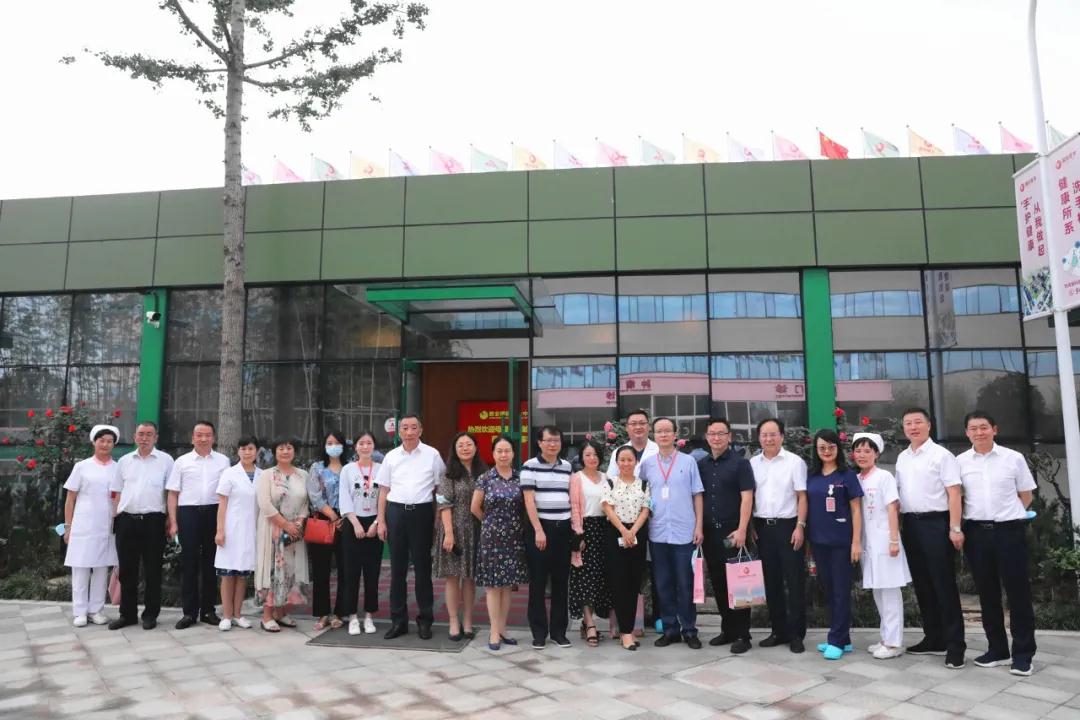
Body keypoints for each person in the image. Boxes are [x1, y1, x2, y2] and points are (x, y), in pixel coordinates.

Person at [957, 411, 1038, 676]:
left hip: (1008, 531)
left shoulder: (1013, 458)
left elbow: (1026, 495)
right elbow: (958, 497)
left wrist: (1008, 516)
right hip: (976, 533)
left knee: (1017, 592)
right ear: (967, 433)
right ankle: (998, 649)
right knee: (987, 593)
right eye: (973, 428)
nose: (979, 432)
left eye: (984, 427)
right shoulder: (960, 462)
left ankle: (1023, 654)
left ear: (994, 429)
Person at [895, 407, 966, 669]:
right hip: (911, 525)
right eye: (908, 423)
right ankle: (934, 637)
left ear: (929, 425)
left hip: (936, 523)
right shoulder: (902, 457)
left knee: (943, 585)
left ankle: (955, 646)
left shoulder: (942, 455)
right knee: (923, 584)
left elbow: (954, 493)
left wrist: (955, 527)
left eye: (918, 422)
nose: (913, 427)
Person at [375, 414, 446, 640]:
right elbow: (383, 491)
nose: (409, 432)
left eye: (413, 427)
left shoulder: (432, 455)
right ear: (399, 432)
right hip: (396, 513)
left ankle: (425, 620)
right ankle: (398, 621)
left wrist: (438, 518)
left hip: (422, 514)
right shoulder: (391, 457)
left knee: (423, 570)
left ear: (420, 430)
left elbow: (440, 489)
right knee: (397, 571)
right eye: (404, 428)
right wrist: (381, 520)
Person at [640, 417, 704, 649]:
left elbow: (697, 494)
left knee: (685, 584)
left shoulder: (688, 462)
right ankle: (670, 630)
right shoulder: (647, 464)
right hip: (658, 533)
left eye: (668, 431)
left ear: (676, 434)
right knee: (663, 584)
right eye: (659, 431)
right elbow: (641, 493)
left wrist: (699, 526)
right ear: (654, 435)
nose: (664, 435)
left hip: (684, 532)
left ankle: (689, 630)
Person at [749, 417, 808, 653]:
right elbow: (749, 497)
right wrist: (751, 526)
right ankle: (778, 631)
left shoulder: (795, 462)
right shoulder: (753, 463)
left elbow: (802, 496)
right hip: (762, 528)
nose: (769, 439)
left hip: (788, 527)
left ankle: (796, 634)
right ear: (759, 437)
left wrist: (800, 526)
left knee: (794, 581)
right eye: (764, 435)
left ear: (782, 436)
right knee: (771, 582)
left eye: (773, 434)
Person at [851, 432, 910, 660]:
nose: (862, 455)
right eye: (858, 451)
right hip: (868, 542)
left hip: (886, 541)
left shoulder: (884, 476)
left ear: (876, 454)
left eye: (867, 451)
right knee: (878, 590)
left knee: (890, 592)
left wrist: (893, 540)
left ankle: (894, 643)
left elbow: (893, 508)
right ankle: (886, 638)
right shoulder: (857, 478)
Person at [109, 421, 173, 631]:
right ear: (135, 437)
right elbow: (117, 492)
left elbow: (171, 493)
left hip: (154, 521)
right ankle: (127, 615)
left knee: (153, 570)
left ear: (156, 438)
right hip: (127, 520)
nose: (144, 438)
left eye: (149, 434)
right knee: (127, 571)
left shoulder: (166, 461)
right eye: (141, 434)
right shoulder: (124, 461)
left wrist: (171, 519)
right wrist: (116, 518)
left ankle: (150, 615)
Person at [166, 420, 231, 629]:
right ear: (192, 438)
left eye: (207, 435)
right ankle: (189, 613)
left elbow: (228, 494)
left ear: (214, 437)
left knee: (212, 564)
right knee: (189, 564)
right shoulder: (181, 462)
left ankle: (208, 611)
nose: (203, 439)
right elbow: (173, 493)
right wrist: (173, 521)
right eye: (199, 435)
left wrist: (224, 523)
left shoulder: (223, 461)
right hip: (189, 514)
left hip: (214, 513)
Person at [806, 429, 864, 660]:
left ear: (838, 449)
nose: (827, 451)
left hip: (842, 542)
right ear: (816, 450)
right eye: (822, 447)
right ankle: (843, 638)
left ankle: (837, 640)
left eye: (831, 447)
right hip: (819, 541)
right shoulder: (812, 476)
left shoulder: (847, 475)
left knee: (841, 590)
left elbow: (856, 510)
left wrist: (856, 542)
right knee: (830, 590)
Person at [698, 417, 754, 654]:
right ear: (706, 437)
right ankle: (728, 630)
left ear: (729, 436)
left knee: (739, 584)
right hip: (710, 532)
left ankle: (743, 635)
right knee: (719, 583)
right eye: (712, 433)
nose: (716, 438)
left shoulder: (740, 464)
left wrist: (742, 529)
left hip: (733, 531)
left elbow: (747, 497)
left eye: (721, 433)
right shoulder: (702, 464)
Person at [472, 434, 529, 651]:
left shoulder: (520, 478)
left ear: (513, 453)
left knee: (506, 586)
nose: (503, 455)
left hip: (514, 538)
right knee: (493, 587)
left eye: (507, 451)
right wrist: (490, 523)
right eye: (499, 451)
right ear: (493, 454)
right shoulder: (485, 478)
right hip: (492, 539)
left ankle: (503, 628)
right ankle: (494, 631)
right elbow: (475, 508)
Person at [521, 425, 575, 649]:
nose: (553, 444)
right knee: (538, 583)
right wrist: (538, 529)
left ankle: (559, 632)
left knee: (561, 582)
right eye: (548, 440)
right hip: (541, 529)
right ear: (539, 443)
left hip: (563, 529)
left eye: (556, 440)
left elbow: (571, 497)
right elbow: (529, 500)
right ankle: (539, 633)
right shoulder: (529, 466)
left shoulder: (567, 467)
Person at [63, 424, 120, 627]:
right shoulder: (82, 466)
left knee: (101, 569)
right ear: (94, 442)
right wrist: (68, 526)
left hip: (107, 526)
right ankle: (79, 611)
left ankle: (96, 610)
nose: (105, 444)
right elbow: (70, 498)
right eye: (101, 440)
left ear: (114, 444)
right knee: (80, 568)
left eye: (109, 441)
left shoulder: (118, 468)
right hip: (83, 525)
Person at [254, 437, 310, 632]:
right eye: (281, 448)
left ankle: (281, 612)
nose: (285, 451)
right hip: (272, 529)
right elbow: (264, 503)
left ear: (295, 451)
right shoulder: (267, 475)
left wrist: (299, 524)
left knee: (290, 570)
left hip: (294, 532)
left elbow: (306, 503)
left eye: (289, 448)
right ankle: (267, 616)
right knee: (272, 570)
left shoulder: (303, 475)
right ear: (274, 452)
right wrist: (285, 525)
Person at [435, 432, 486, 641]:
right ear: (455, 450)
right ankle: (453, 621)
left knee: (470, 578)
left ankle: (468, 621)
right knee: (453, 578)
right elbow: (443, 505)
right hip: (453, 530)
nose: (465, 448)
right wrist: (449, 534)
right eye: (461, 445)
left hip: (475, 530)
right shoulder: (448, 475)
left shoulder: (484, 473)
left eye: (469, 444)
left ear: (476, 447)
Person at [601, 445, 651, 651]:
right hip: (616, 534)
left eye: (630, 459)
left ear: (636, 462)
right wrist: (624, 530)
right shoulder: (610, 483)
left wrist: (633, 531)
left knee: (633, 582)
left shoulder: (643, 484)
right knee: (619, 582)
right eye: (622, 460)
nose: (626, 463)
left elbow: (645, 510)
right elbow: (607, 508)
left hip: (637, 534)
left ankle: (627, 630)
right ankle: (626, 632)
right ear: (617, 462)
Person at [569, 439, 614, 647]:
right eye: (587, 454)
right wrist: (578, 535)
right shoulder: (576, 479)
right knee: (584, 579)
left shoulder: (606, 478)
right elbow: (574, 508)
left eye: (595, 454)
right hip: (584, 530)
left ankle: (588, 622)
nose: (592, 458)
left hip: (604, 530)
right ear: (581, 457)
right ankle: (590, 624)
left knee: (599, 579)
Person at [213, 436, 260, 631]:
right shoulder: (229, 473)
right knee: (227, 573)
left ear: (257, 451)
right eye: (243, 449)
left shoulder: (262, 475)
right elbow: (222, 504)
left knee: (242, 574)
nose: (247, 452)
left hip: (251, 531)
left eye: (251, 448)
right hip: (231, 530)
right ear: (238, 451)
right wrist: (220, 530)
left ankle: (238, 614)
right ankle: (226, 615)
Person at [339, 431, 383, 636]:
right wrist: (356, 524)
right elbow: (344, 498)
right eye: (361, 443)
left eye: (369, 443)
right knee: (351, 573)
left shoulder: (381, 469)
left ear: (374, 446)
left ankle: (369, 616)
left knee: (372, 573)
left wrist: (376, 523)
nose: (365, 446)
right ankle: (353, 617)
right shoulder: (347, 470)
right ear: (355, 446)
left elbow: (385, 497)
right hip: (352, 522)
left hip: (375, 522)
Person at [308, 431, 347, 631]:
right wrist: (333, 516)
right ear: (324, 445)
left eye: (337, 442)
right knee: (321, 570)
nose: (333, 446)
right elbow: (314, 496)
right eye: (329, 442)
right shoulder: (317, 467)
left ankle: (340, 612)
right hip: (323, 520)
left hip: (347, 520)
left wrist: (343, 517)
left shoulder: (350, 466)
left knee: (345, 569)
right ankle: (323, 613)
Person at [606, 408, 658, 477]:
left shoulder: (659, 450)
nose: (638, 427)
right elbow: (611, 479)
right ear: (626, 428)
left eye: (642, 423)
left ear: (649, 426)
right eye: (633, 424)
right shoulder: (617, 452)